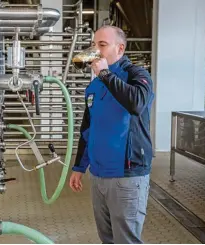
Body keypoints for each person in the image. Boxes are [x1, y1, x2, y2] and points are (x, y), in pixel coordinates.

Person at [69, 25, 154, 244]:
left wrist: (106, 74)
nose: (96, 50)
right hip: (98, 176)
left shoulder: (137, 75)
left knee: (126, 240)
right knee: (107, 239)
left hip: (127, 176)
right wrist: (79, 167)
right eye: (94, 45)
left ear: (120, 48)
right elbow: (88, 129)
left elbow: (136, 103)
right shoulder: (95, 86)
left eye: (102, 45)